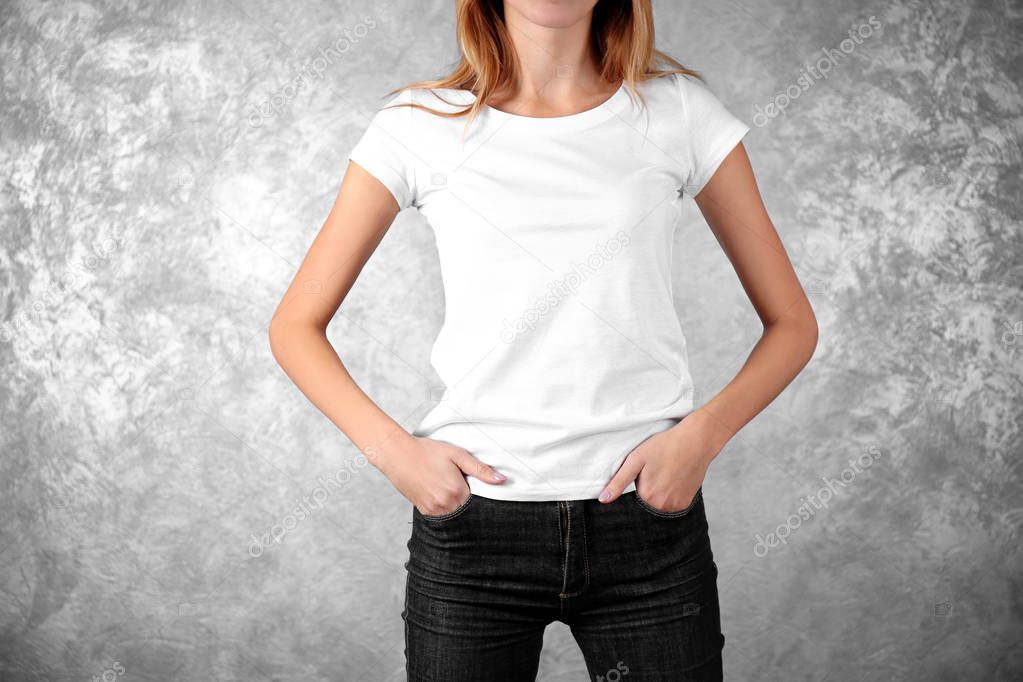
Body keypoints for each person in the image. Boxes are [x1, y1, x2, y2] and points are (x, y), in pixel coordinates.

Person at [269, 1, 818, 679]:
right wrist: (396, 457)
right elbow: (295, 326)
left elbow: (792, 324)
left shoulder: (678, 112)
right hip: (475, 534)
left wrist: (698, 440)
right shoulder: (417, 127)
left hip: (645, 526)